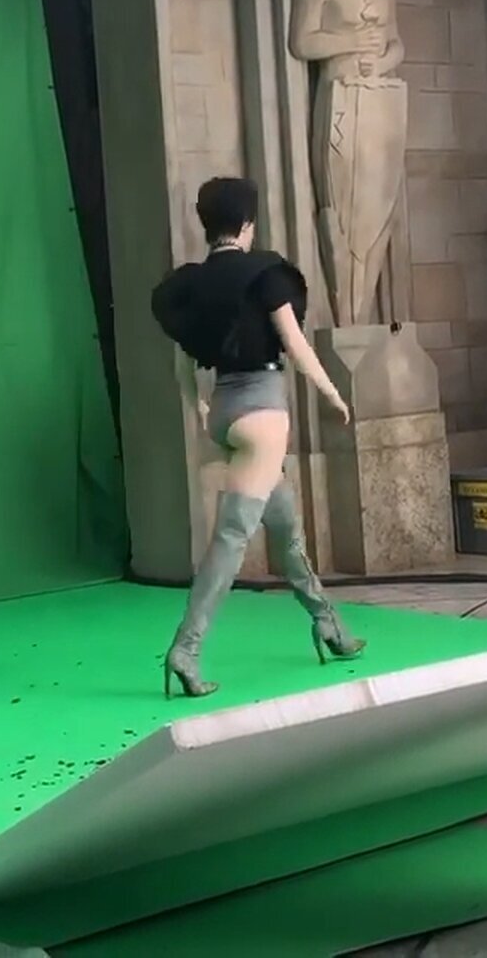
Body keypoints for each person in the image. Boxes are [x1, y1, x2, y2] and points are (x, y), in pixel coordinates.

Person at [151, 177, 366, 700]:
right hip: (263, 412)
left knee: (284, 522)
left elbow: (183, 363)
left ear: (208, 225)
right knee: (232, 536)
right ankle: (187, 647)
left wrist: (200, 408)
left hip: (224, 411)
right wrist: (334, 393)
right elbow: (295, 344)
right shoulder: (264, 273)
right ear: (247, 224)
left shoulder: (191, 284)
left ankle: (328, 623)